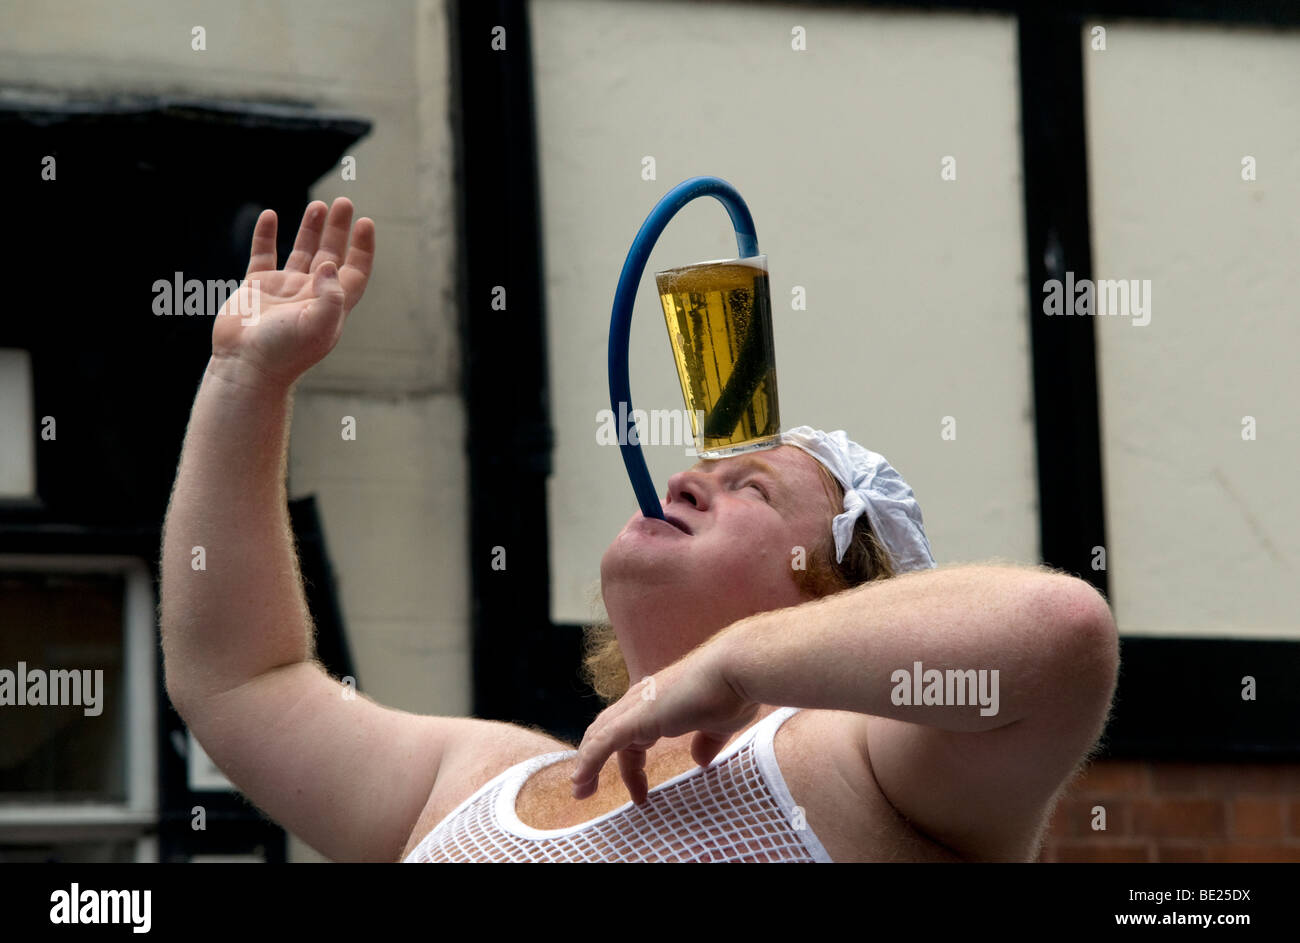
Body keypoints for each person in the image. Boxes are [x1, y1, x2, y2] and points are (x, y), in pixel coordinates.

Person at [160, 197, 1120, 863]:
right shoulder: (481, 776)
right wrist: (247, 381)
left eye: (754, 487)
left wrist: (739, 662)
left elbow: (1060, 632)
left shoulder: (878, 755)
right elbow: (242, 681)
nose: (689, 481)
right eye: (701, 467)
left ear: (844, 587)